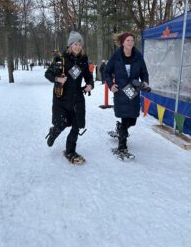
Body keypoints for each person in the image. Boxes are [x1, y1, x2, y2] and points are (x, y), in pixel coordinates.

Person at [45, 31, 94, 163]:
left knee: (76, 125)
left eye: (80, 44)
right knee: (62, 123)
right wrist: (57, 79)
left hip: (77, 97)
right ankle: (54, 131)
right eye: (75, 44)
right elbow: (48, 74)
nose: (78, 47)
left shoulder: (83, 60)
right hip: (61, 97)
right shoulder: (61, 59)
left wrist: (90, 84)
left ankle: (70, 150)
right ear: (70, 45)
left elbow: (88, 76)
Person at [105, 32, 149, 154]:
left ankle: (120, 129)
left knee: (133, 120)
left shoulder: (138, 56)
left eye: (132, 40)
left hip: (133, 91)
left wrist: (145, 82)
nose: (130, 43)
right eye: (128, 40)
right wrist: (110, 84)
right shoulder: (116, 56)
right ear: (123, 42)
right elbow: (107, 72)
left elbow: (144, 73)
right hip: (121, 91)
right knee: (125, 118)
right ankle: (122, 144)